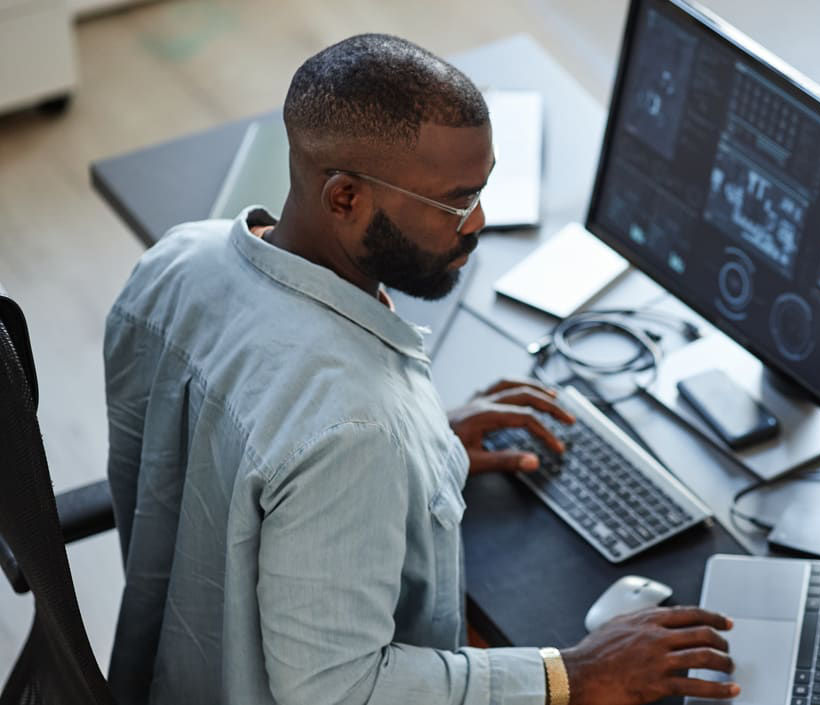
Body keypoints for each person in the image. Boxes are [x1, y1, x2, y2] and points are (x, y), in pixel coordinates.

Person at [103, 33, 739, 705]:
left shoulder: (177, 259)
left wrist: (423, 452)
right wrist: (570, 675)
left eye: (484, 188)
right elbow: (336, 691)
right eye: (456, 203)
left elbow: (234, 445)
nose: (479, 222)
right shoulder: (355, 428)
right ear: (344, 197)